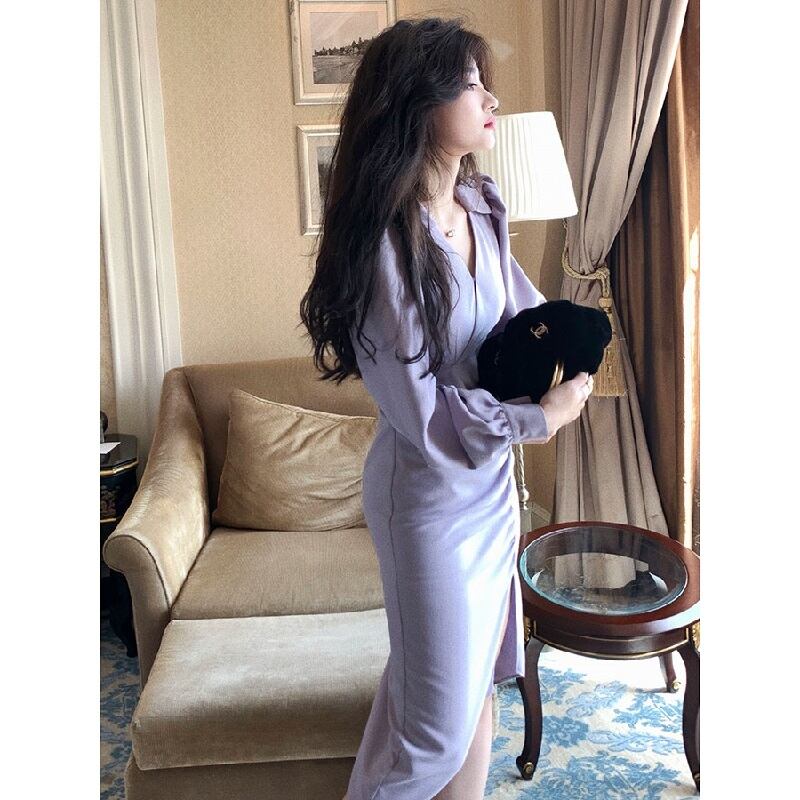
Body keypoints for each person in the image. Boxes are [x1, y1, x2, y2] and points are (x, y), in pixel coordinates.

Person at [299, 16, 592, 800]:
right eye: (470, 84)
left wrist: (573, 347)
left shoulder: (480, 206)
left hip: (491, 492)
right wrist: (539, 419)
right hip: (427, 501)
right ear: (418, 103)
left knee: (477, 700)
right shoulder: (386, 246)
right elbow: (425, 415)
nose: (491, 97)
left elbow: (519, 323)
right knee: (428, 734)